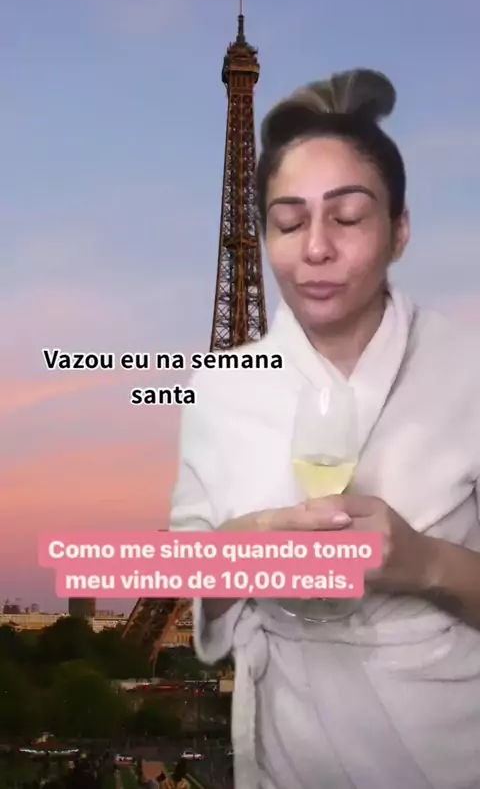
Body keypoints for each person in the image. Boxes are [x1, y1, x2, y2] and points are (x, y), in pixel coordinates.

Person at [169, 68, 480, 789]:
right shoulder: (218, 387)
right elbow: (187, 569)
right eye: (287, 222)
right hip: (290, 750)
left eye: (347, 218)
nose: (315, 248)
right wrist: (237, 551)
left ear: (400, 231)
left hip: (444, 749)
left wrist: (426, 564)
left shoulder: (467, 367)